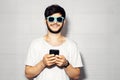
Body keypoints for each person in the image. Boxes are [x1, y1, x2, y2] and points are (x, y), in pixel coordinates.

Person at [25, 4, 83, 80]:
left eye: (59, 19)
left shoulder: (72, 45)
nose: (55, 22)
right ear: (45, 21)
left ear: (64, 22)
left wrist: (66, 64)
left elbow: (76, 76)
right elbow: (28, 74)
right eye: (51, 19)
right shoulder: (35, 44)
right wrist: (43, 63)